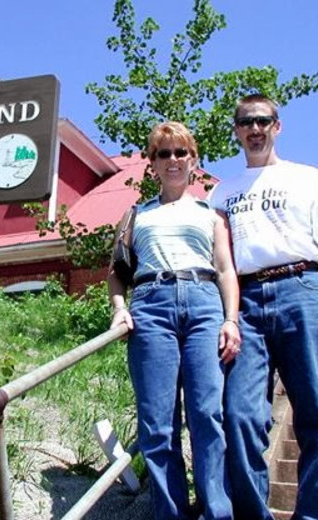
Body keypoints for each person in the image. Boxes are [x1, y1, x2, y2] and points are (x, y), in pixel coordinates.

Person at [210, 94, 318, 519]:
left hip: (303, 290)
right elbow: (223, 262)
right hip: (248, 300)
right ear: (236, 130)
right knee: (239, 415)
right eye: (246, 122)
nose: (255, 129)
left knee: (314, 414)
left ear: (278, 126)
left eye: (263, 121)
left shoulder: (308, 178)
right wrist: (230, 317)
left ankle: (315, 514)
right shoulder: (223, 192)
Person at [108, 121, 241, 520]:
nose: (173, 160)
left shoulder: (211, 215)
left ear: (193, 160)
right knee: (158, 421)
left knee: (207, 414)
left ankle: (215, 510)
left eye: (180, 152)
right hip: (151, 307)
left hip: (203, 305)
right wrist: (119, 307)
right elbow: (116, 272)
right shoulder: (136, 215)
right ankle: (170, 512)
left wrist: (230, 319)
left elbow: (225, 270)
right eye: (163, 153)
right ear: (152, 163)